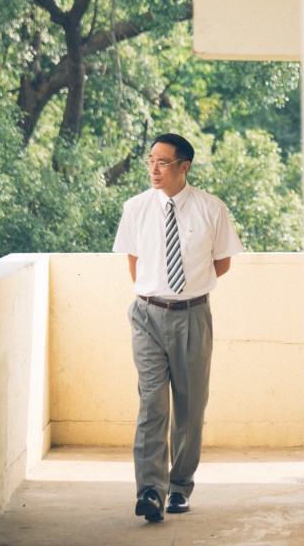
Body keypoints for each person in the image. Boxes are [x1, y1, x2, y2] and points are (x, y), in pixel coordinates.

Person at [112, 132, 243, 522]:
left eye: (163, 162)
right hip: (147, 314)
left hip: (192, 316)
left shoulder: (211, 209)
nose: (153, 168)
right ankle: (150, 490)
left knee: (189, 406)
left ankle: (180, 487)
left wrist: (185, 290)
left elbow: (222, 263)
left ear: (183, 167)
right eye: (150, 160)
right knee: (152, 404)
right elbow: (134, 262)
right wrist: (157, 292)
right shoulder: (135, 208)